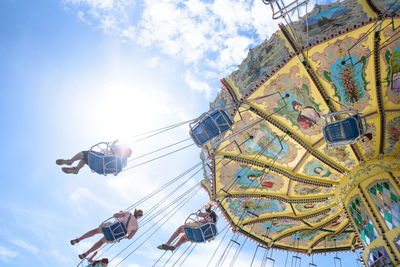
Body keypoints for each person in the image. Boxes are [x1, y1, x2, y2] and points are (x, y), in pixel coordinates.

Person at [71, 209, 143, 259]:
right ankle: (86, 253)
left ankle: (79, 239)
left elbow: (115, 215)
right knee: (101, 242)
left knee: (95, 231)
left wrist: (121, 214)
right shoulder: (136, 227)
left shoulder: (128, 213)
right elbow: (129, 237)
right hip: (115, 236)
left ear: (134, 212)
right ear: (139, 217)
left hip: (110, 227)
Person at [56, 140, 132, 174]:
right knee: (85, 159)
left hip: (101, 161)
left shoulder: (117, 154)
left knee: (84, 153)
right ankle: (76, 169)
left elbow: (113, 148)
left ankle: (70, 161)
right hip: (100, 169)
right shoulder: (123, 163)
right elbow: (116, 173)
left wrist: (115, 143)